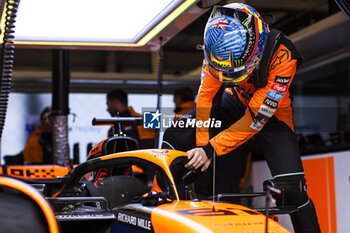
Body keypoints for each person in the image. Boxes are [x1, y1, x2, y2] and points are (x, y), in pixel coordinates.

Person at [163, 3, 320, 233]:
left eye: (235, 71)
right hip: (233, 101)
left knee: (293, 192)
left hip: (273, 116)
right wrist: (201, 147)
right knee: (176, 134)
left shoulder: (284, 56)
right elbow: (206, 98)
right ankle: (167, 207)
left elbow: (255, 118)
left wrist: (211, 150)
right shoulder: (217, 47)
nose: (230, 76)